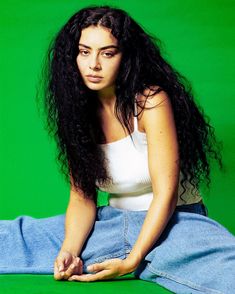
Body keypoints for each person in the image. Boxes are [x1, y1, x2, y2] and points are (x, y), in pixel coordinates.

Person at [0, 5, 235, 293]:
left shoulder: (150, 101)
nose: (93, 64)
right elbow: (82, 197)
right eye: (84, 51)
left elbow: (166, 194)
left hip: (175, 222)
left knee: (226, 272)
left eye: (107, 53)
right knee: (16, 237)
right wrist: (69, 252)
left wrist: (131, 261)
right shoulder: (78, 111)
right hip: (113, 223)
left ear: (127, 58)